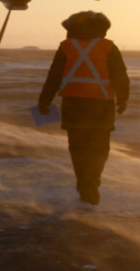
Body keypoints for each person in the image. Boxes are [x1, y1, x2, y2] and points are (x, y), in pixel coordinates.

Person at [38, 11, 129, 205]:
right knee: (99, 148)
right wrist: (123, 99)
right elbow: (121, 76)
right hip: (101, 105)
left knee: (78, 148)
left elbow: (53, 77)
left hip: (74, 106)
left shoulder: (66, 47)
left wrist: (44, 101)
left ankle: (83, 182)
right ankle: (92, 180)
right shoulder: (108, 47)